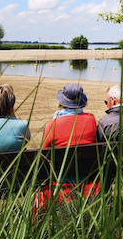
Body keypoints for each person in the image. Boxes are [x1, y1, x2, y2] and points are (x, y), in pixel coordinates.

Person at [35, 83, 98, 211]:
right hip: (85, 176)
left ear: (62, 102)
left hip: (60, 179)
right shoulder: (91, 120)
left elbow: (44, 153)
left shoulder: (53, 124)